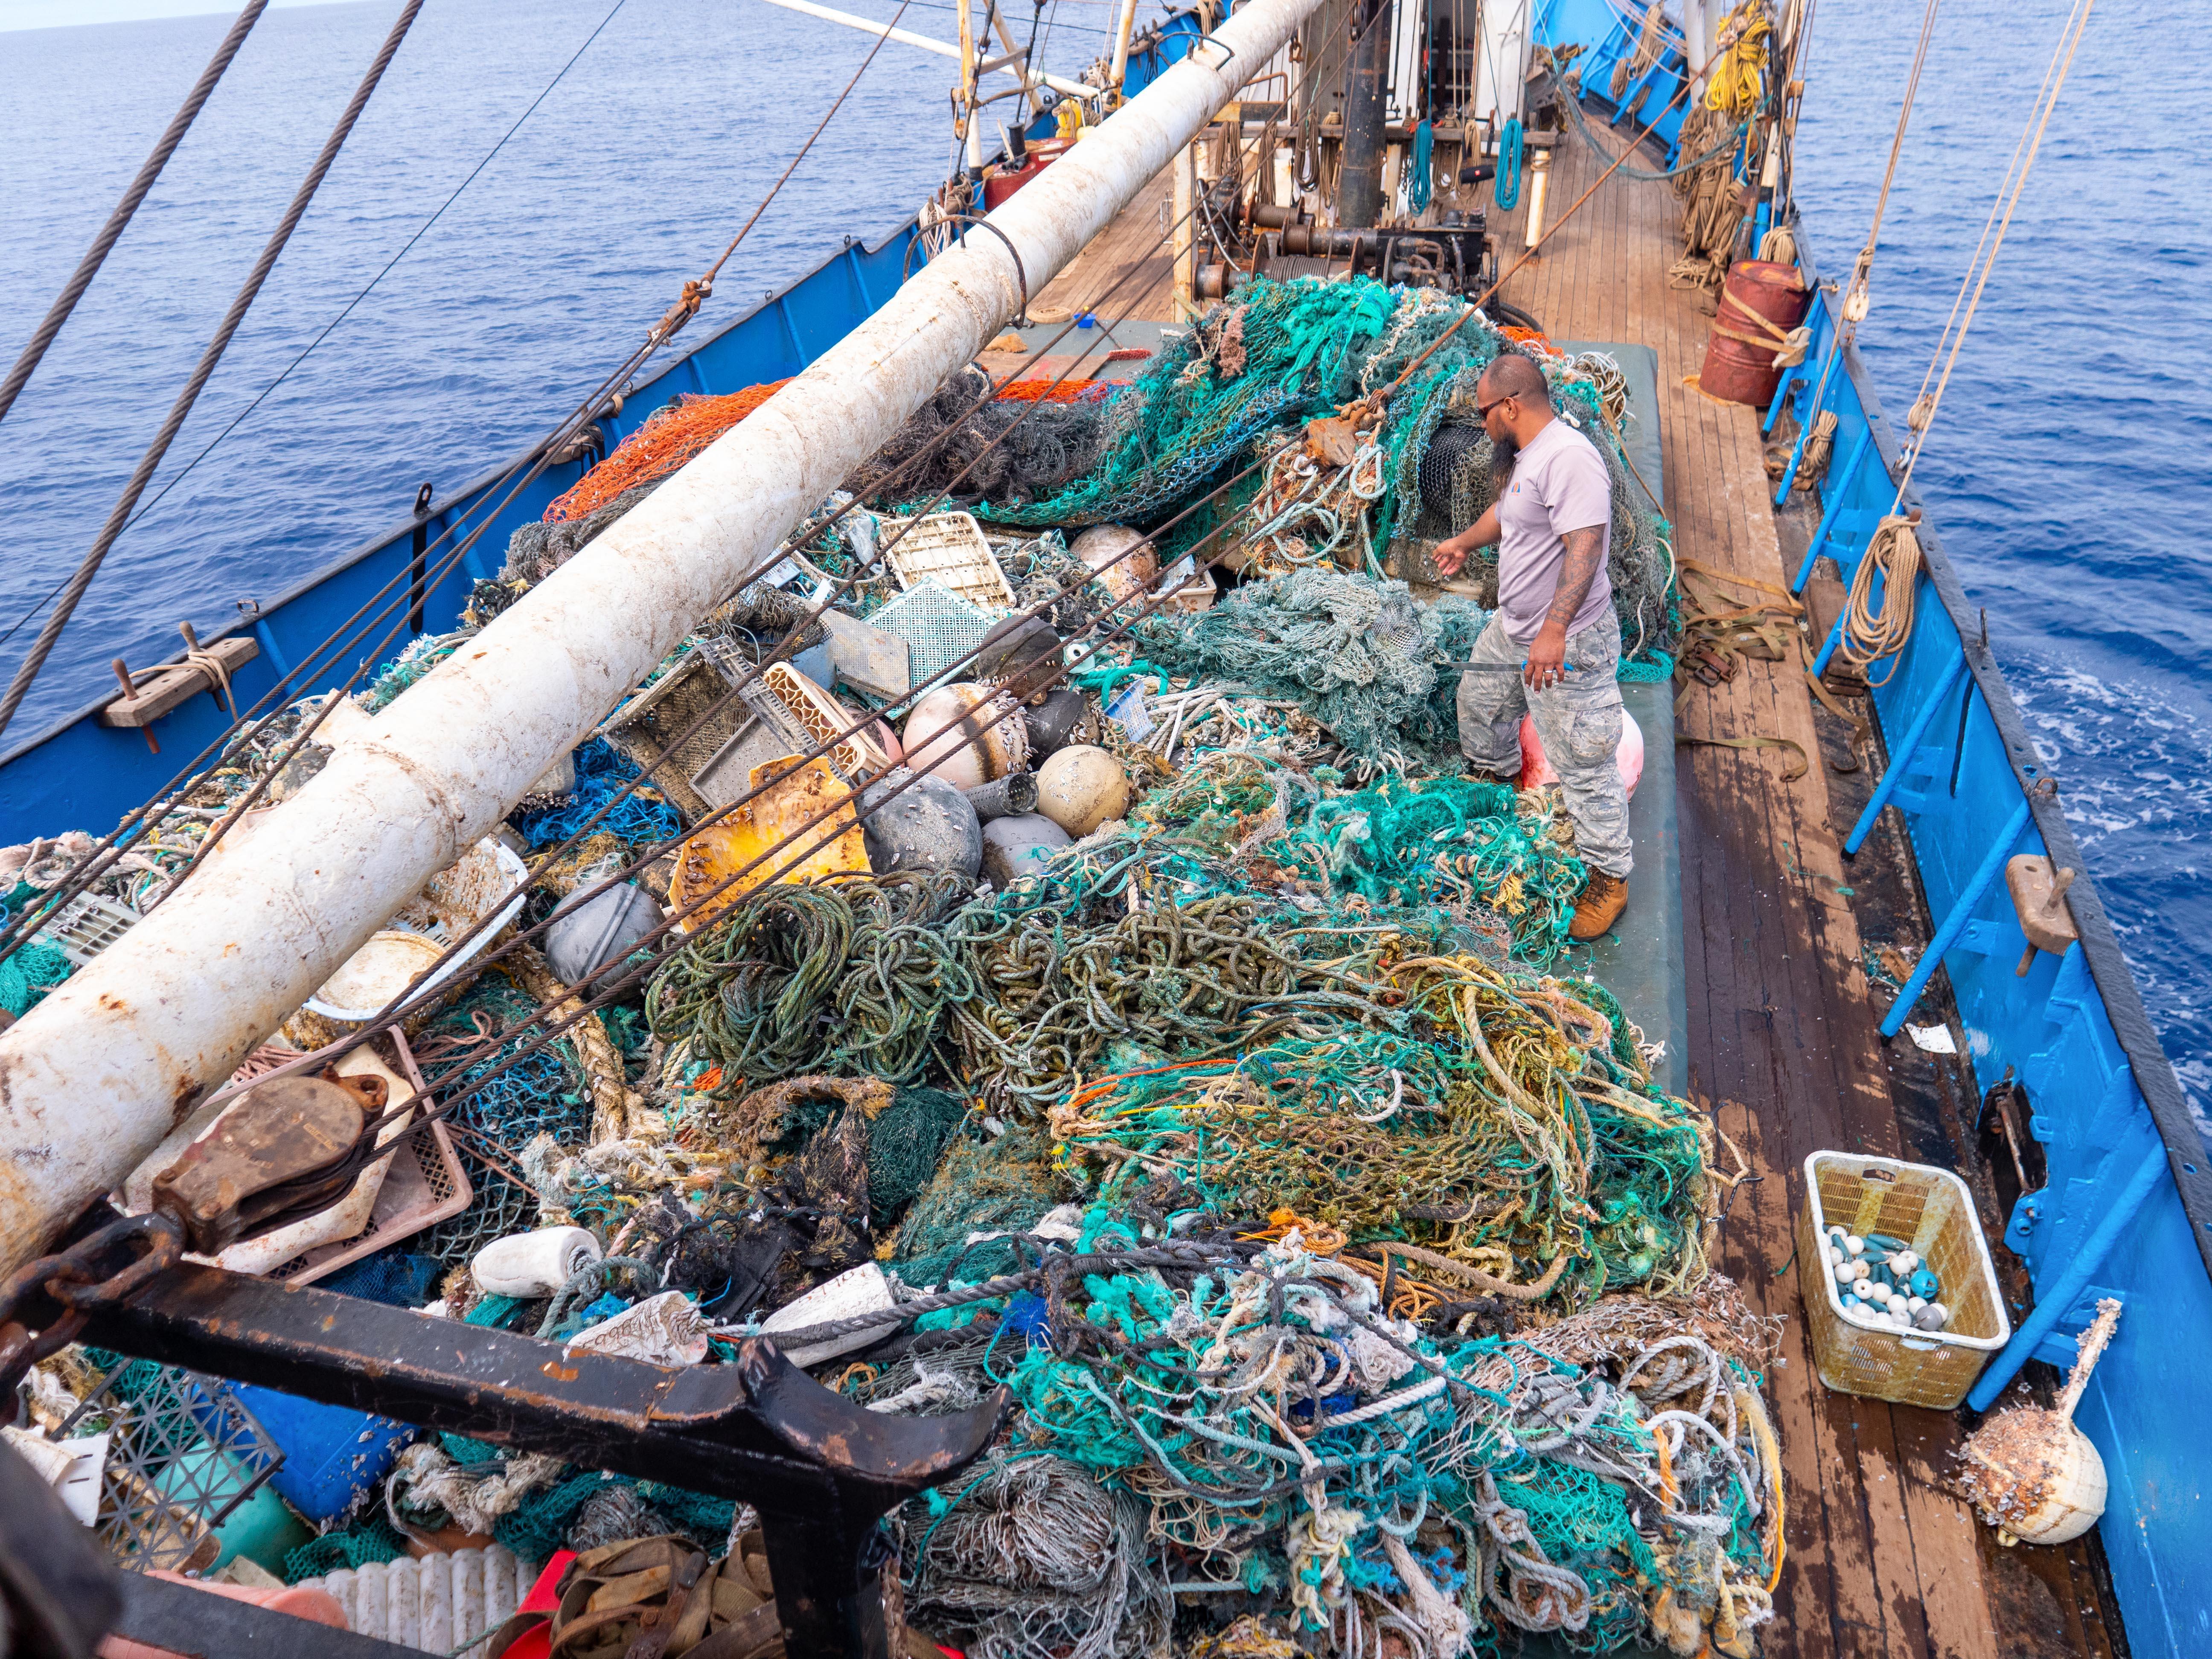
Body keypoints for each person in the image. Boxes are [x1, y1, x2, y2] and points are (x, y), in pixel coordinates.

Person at [1433, 352, 1631, 941]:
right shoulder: (1531, 454)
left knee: (1583, 756)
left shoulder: (1570, 459)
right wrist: (1465, 543)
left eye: (1484, 411)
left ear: (1512, 405)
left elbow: (1586, 546)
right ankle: (1494, 789)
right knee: (1482, 702)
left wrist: (1554, 630)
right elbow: (1511, 514)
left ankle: (1609, 879)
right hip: (1515, 627)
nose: (1482, 422)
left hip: (1565, 641)